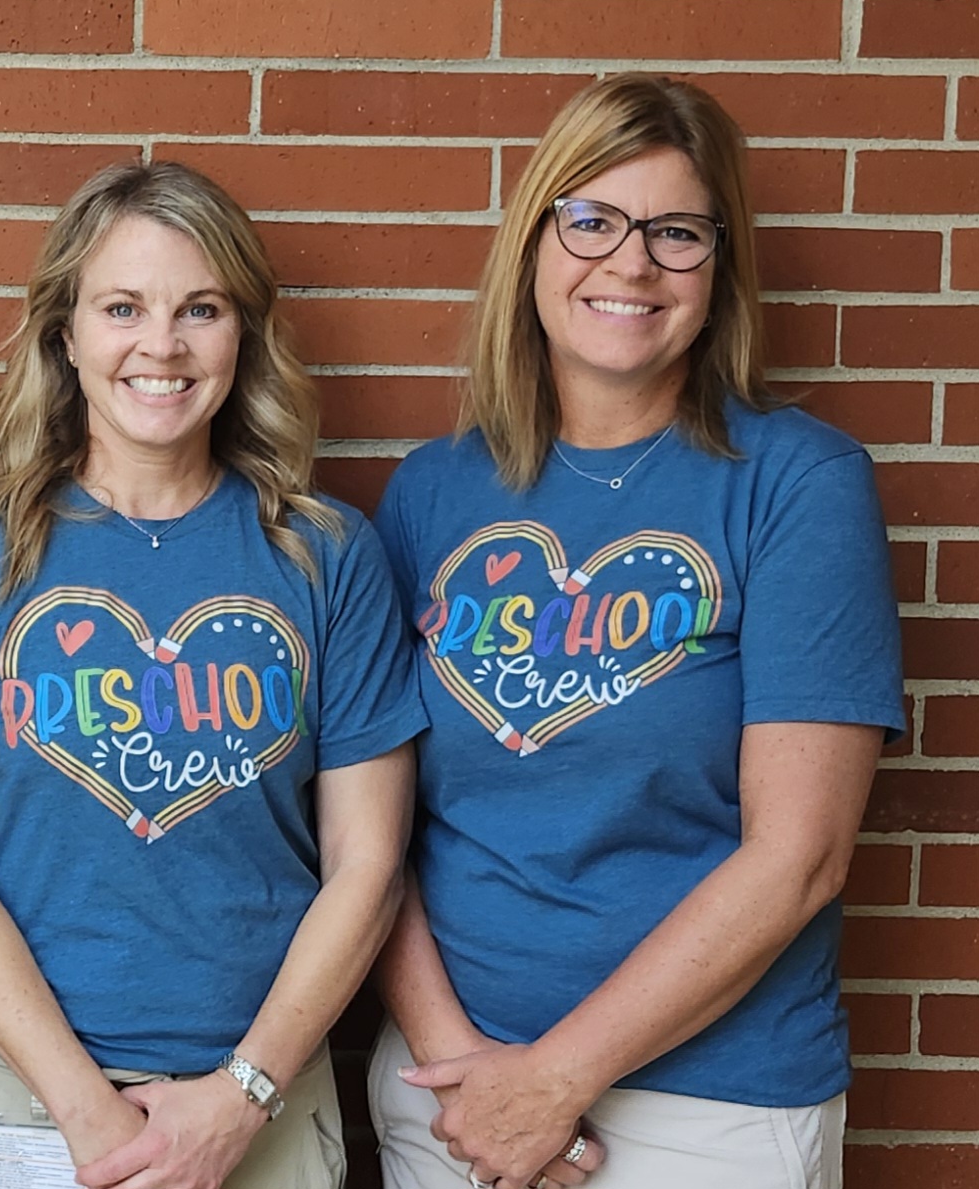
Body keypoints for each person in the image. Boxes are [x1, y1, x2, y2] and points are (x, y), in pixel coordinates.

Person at [369, 74, 905, 1189]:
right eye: (591, 220)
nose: (628, 264)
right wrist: (459, 1063)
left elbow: (798, 854)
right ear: (533, 244)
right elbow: (372, 834)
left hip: (708, 1104)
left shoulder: (797, 484)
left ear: (719, 266)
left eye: (674, 231)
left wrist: (557, 1077)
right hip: (450, 1093)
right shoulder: (430, 493)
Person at [0, 161, 424, 1189]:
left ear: (244, 334)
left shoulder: (325, 554)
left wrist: (240, 1096)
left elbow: (368, 865)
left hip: (257, 1099)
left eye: (201, 308)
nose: (161, 345)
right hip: (22, 1094)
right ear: (67, 332)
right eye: (122, 306)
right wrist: (89, 1114)